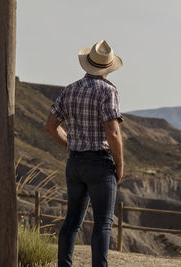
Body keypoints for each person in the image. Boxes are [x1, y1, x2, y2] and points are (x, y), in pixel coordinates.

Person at [44, 40, 124, 267]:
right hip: (100, 164)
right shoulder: (108, 91)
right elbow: (113, 132)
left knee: (72, 221)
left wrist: (73, 144)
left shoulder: (70, 90)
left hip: (75, 163)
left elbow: (50, 126)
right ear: (108, 68)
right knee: (103, 223)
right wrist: (120, 164)